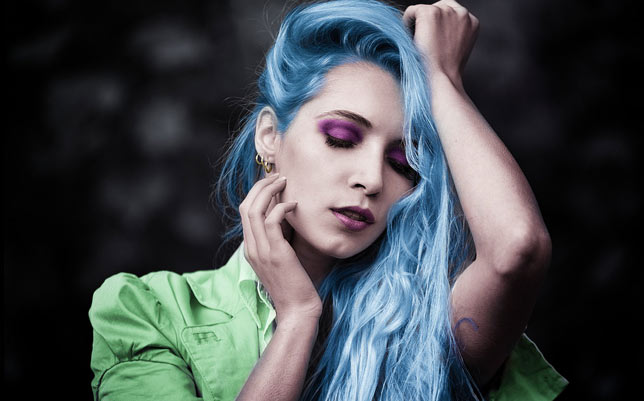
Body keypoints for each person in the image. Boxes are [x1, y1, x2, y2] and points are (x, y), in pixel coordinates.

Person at [89, 1, 568, 400]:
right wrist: (298, 318)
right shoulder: (150, 312)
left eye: (403, 163)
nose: (371, 179)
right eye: (341, 138)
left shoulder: (429, 326)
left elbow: (517, 249)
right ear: (270, 136)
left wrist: (441, 78)